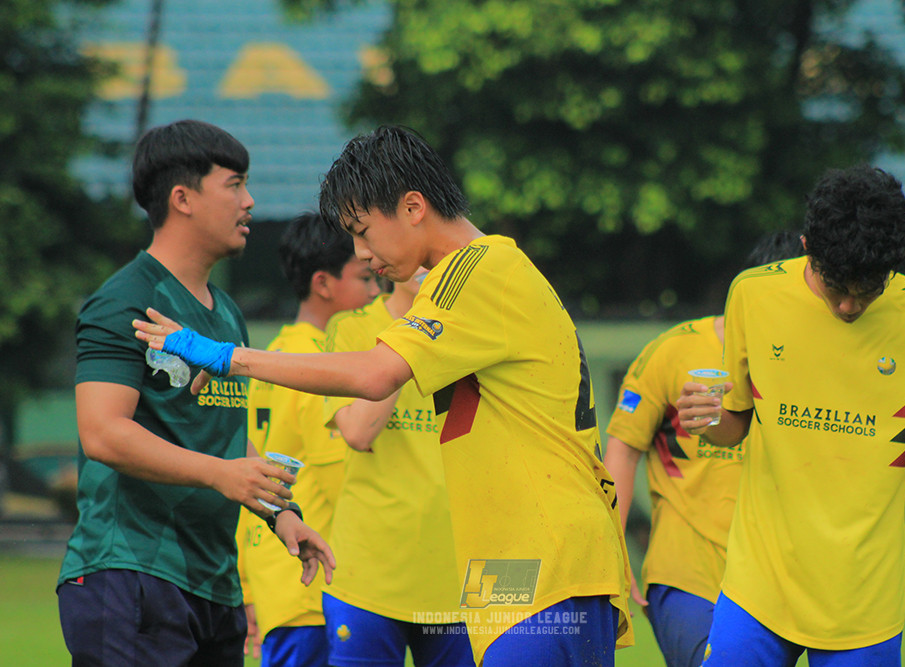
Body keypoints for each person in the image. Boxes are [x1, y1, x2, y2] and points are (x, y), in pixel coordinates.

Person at [133, 124, 634, 666]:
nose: (361, 253)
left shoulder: (478, 271)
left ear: (413, 207)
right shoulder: (474, 276)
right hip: (511, 564)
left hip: (544, 559)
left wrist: (228, 357)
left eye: (364, 230)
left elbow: (374, 376)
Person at [59, 119, 334, 667]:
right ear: (182, 198)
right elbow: (103, 433)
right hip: (130, 574)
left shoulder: (226, 314)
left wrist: (282, 514)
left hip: (213, 584)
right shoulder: (124, 302)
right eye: (235, 185)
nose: (250, 202)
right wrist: (218, 474)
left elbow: (227, 440)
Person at [678, 164, 905, 666]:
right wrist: (704, 418)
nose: (847, 305)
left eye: (867, 289)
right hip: (759, 588)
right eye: (836, 285)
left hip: (864, 603)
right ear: (805, 245)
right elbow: (735, 424)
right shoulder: (753, 293)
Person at [603, 230, 803, 667]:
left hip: (781, 583)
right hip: (686, 575)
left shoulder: (808, 359)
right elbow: (623, 445)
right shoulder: (674, 350)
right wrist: (611, 549)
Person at [238, 212, 380, 665]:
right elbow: (342, 478)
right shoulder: (319, 365)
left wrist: (247, 585)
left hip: (275, 579)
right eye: (365, 278)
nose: (376, 292)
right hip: (316, 583)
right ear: (323, 283)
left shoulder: (273, 355)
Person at [320, 269, 475, 667]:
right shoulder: (352, 328)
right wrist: (413, 332)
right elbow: (357, 431)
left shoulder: (474, 332)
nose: (427, 267)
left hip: (460, 577)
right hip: (368, 574)